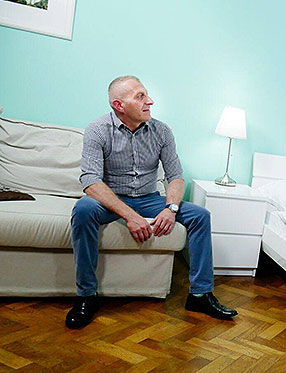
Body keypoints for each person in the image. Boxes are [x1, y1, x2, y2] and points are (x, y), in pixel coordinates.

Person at [66, 75, 237, 329]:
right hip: (112, 200)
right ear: (119, 105)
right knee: (83, 209)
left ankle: (200, 295)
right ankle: (86, 297)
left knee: (200, 216)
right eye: (140, 97)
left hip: (149, 199)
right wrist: (130, 216)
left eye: (146, 94)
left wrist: (171, 208)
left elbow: (175, 176)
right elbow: (90, 181)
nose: (150, 101)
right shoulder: (98, 129)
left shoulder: (162, 131)